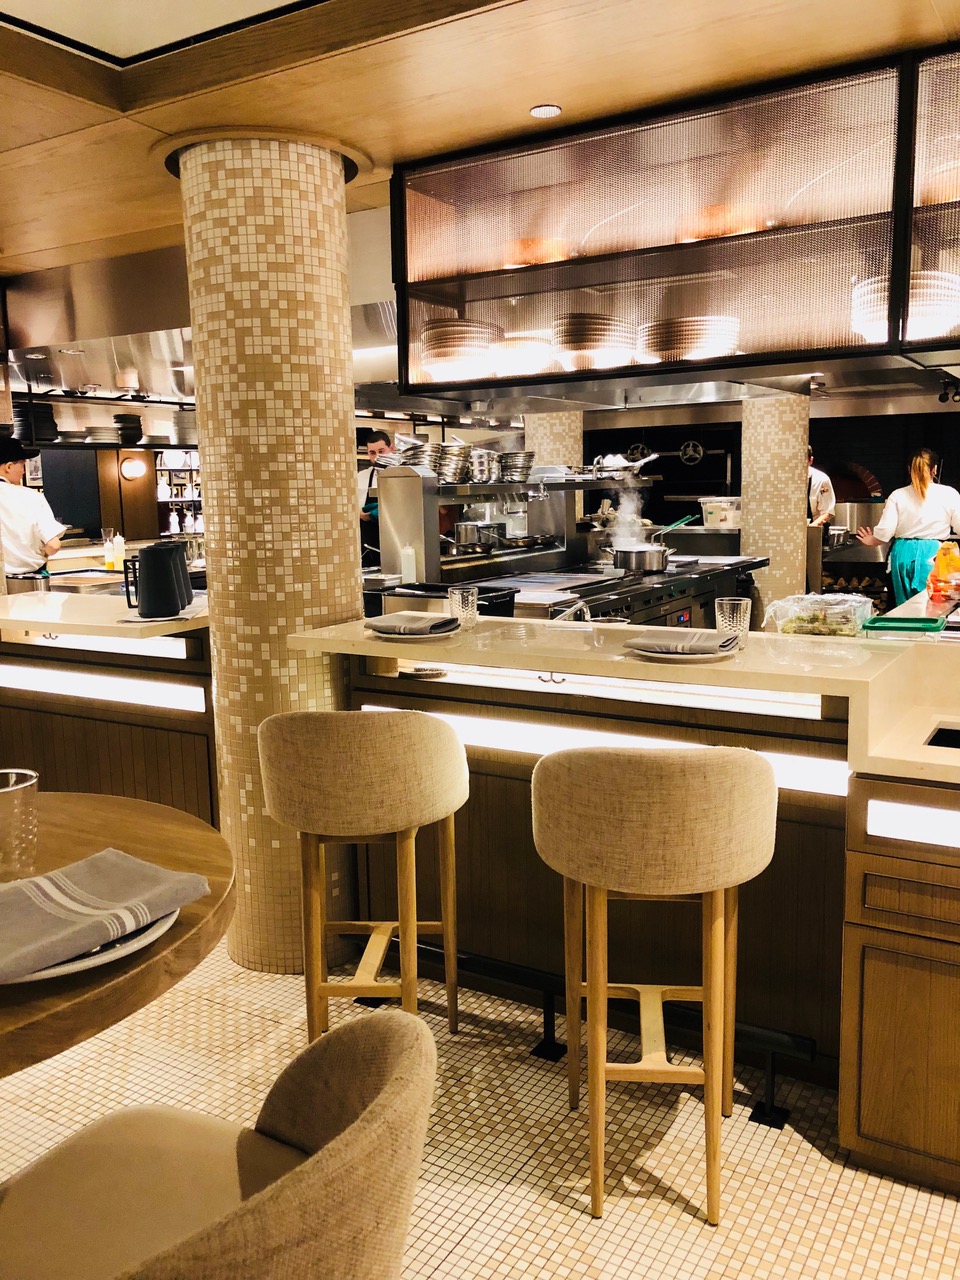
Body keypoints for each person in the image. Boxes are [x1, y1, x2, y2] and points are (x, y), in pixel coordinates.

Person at [856, 447, 960, 606]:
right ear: (934, 469)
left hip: (902, 554)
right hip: (934, 556)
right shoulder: (949, 494)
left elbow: (885, 531)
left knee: (902, 608)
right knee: (934, 606)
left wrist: (872, 540)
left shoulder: (898, 495)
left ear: (909, 469)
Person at [0, 438, 67, 582]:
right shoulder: (31, 497)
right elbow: (54, 545)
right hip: (30, 580)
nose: (24, 471)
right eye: (22, 465)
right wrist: (45, 552)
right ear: (9, 467)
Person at [357, 430, 396, 564]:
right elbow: (347, 508)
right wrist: (360, 514)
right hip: (369, 550)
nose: (377, 457)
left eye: (381, 451)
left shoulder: (406, 474)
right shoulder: (361, 478)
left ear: (391, 449)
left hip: (397, 546)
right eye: (372, 453)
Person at [807, 446, 836, 527]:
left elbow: (827, 512)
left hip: (813, 528)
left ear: (810, 460)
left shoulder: (821, 480)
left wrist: (811, 528)